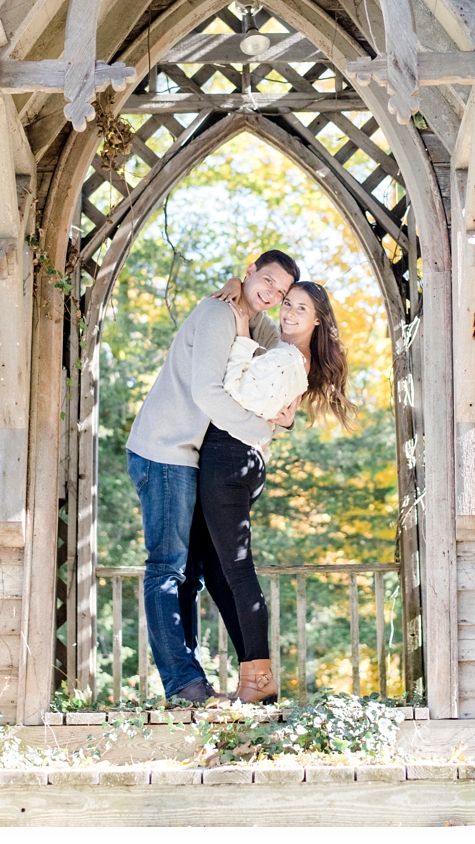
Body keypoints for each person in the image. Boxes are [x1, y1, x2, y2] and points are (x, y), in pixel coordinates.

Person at [125, 249, 299, 705]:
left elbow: (267, 367)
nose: (272, 294)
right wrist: (262, 432)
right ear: (250, 271)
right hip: (165, 450)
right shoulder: (216, 313)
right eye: (267, 281)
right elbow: (207, 391)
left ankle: (191, 682)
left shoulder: (252, 319)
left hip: (190, 456)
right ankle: (183, 684)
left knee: (191, 575)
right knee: (167, 568)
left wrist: (287, 414)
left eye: (280, 292)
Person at [189, 279, 356, 703]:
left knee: (237, 571)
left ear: (317, 322)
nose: (289, 312)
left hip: (228, 457)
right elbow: (264, 405)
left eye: (301, 309)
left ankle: (259, 681)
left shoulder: (285, 358)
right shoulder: (287, 356)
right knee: (218, 571)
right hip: (238, 457)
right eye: (287, 304)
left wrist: (242, 334)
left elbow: (234, 389)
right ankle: (251, 676)